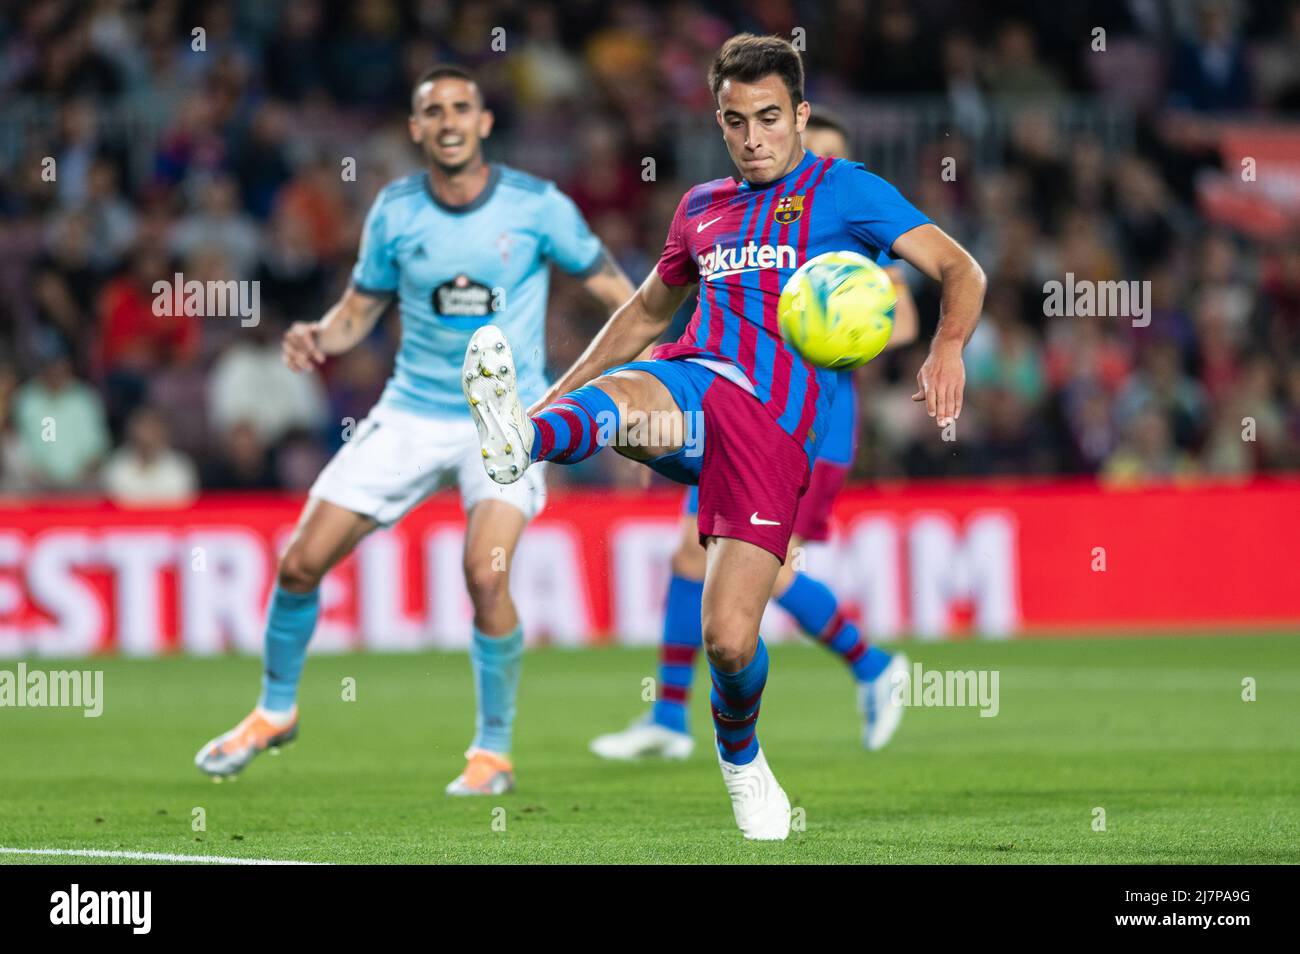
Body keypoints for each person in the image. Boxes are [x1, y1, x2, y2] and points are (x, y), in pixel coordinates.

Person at [463, 35, 986, 838]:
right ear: (719, 120)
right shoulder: (701, 208)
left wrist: (946, 347)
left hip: (773, 437)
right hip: (696, 377)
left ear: (801, 116)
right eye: (735, 121)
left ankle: (742, 763)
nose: (752, 137)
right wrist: (551, 394)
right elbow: (644, 313)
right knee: (633, 400)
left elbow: (961, 269)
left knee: (731, 643)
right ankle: (523, 436)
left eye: (770, 118)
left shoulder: (847, 192)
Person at [194, 65, 635, 795]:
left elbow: (618, 292)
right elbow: (359, 310)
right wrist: (319, 338)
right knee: (300, 563)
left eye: (464, 107)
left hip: (504, 415)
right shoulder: (395, 211)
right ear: (417, 129)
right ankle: (274, 712)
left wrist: (630, 380)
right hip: (409, 410)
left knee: (483, 574)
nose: (451, 120)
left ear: (485, 123)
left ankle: (492, 753)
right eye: (435, 111)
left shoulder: (538, 207)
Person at [588, 109, 920, 762]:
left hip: (814, 420)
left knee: (762, 568)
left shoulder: (853, 226)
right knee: (692, 555)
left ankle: (872, 664)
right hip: (739, 407)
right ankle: (668, 717)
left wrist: (841, 329)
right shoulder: (757, 217)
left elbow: (902, 320)